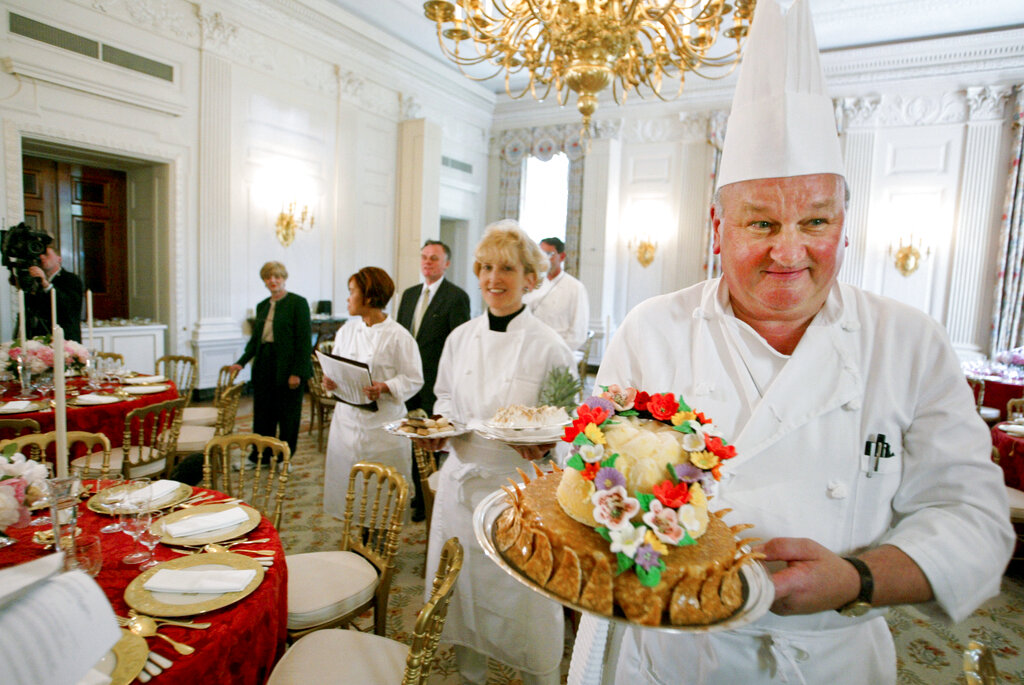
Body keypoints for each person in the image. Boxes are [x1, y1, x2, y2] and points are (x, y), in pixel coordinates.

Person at [567, 1, 1014, 683]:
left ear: (844, 221)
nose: (789, 251)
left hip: (833, 659)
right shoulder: (650, 331)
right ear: (720, 227)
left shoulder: (909, 342)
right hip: (679, 657)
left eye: (814, 220)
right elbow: (600, 489)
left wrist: (859, 577)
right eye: (761, 223)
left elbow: (975, 520)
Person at [421, 220, 576, 685]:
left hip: (520, 493)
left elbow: (570, 423)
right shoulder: (460, 338)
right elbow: (445, 397)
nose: (494, 279)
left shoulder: (551, 347)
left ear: (531, 277)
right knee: (463, 590)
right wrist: (440, 428)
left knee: (523, 600)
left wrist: (549, 441)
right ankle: (470, 673)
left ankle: (539, 674)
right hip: (462, 483)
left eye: (507, 268)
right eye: (486, 267)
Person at [321, 266, 423, 519]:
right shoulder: (347, 331)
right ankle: (356, 542)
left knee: (380, 495)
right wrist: (331, 381)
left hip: (382, 426)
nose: (347, 298)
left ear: (368, 297)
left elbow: (414, 377)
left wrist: (386, 386)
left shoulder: (399, 336)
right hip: (346, 422)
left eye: (352, 292)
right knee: (349, 489)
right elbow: (339, 367)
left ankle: (376, 545)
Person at [396, 240, 471, 521]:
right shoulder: (409, 294)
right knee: (412, 437)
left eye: (434, 258)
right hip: (408, 380)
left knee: (433, 440)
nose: (428, 262)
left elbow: (459, 346)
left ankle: (432, 497)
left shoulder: (456, 297)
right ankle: (419, 493)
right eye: (425, 258)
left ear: (446, 263)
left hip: (435, 382)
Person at [230, 261, 312, 460]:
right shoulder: (262, 306)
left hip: (288, 365)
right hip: (264, 364)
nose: (272, 280)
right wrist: (240, 362)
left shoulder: (298, 303)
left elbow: (304, 341)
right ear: (264, 281)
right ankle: (260, 456)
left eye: (277, 276)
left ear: (284, 278)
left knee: (288, 416)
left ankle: (285, 458)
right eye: (268, 277)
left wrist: (297, 372)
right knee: (263, 415)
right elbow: (255, 341)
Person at [523, 237, 589, 355]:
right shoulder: (532, 283)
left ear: (562, 257)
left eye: (549, 254)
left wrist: (559, 351)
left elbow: (578, 330)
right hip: (531, 348)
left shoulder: (575, 287)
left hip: (559, 350)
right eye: (541, 254)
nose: (544, 259)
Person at [24, 243, 84, 342]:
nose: (42, 257)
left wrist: (46, 284)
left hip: (65, 339)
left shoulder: (71, 279)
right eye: (40, 255)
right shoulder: (36, 282)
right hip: (42, 338)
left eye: (47, 254)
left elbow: (67, 307)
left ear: (59, 259)